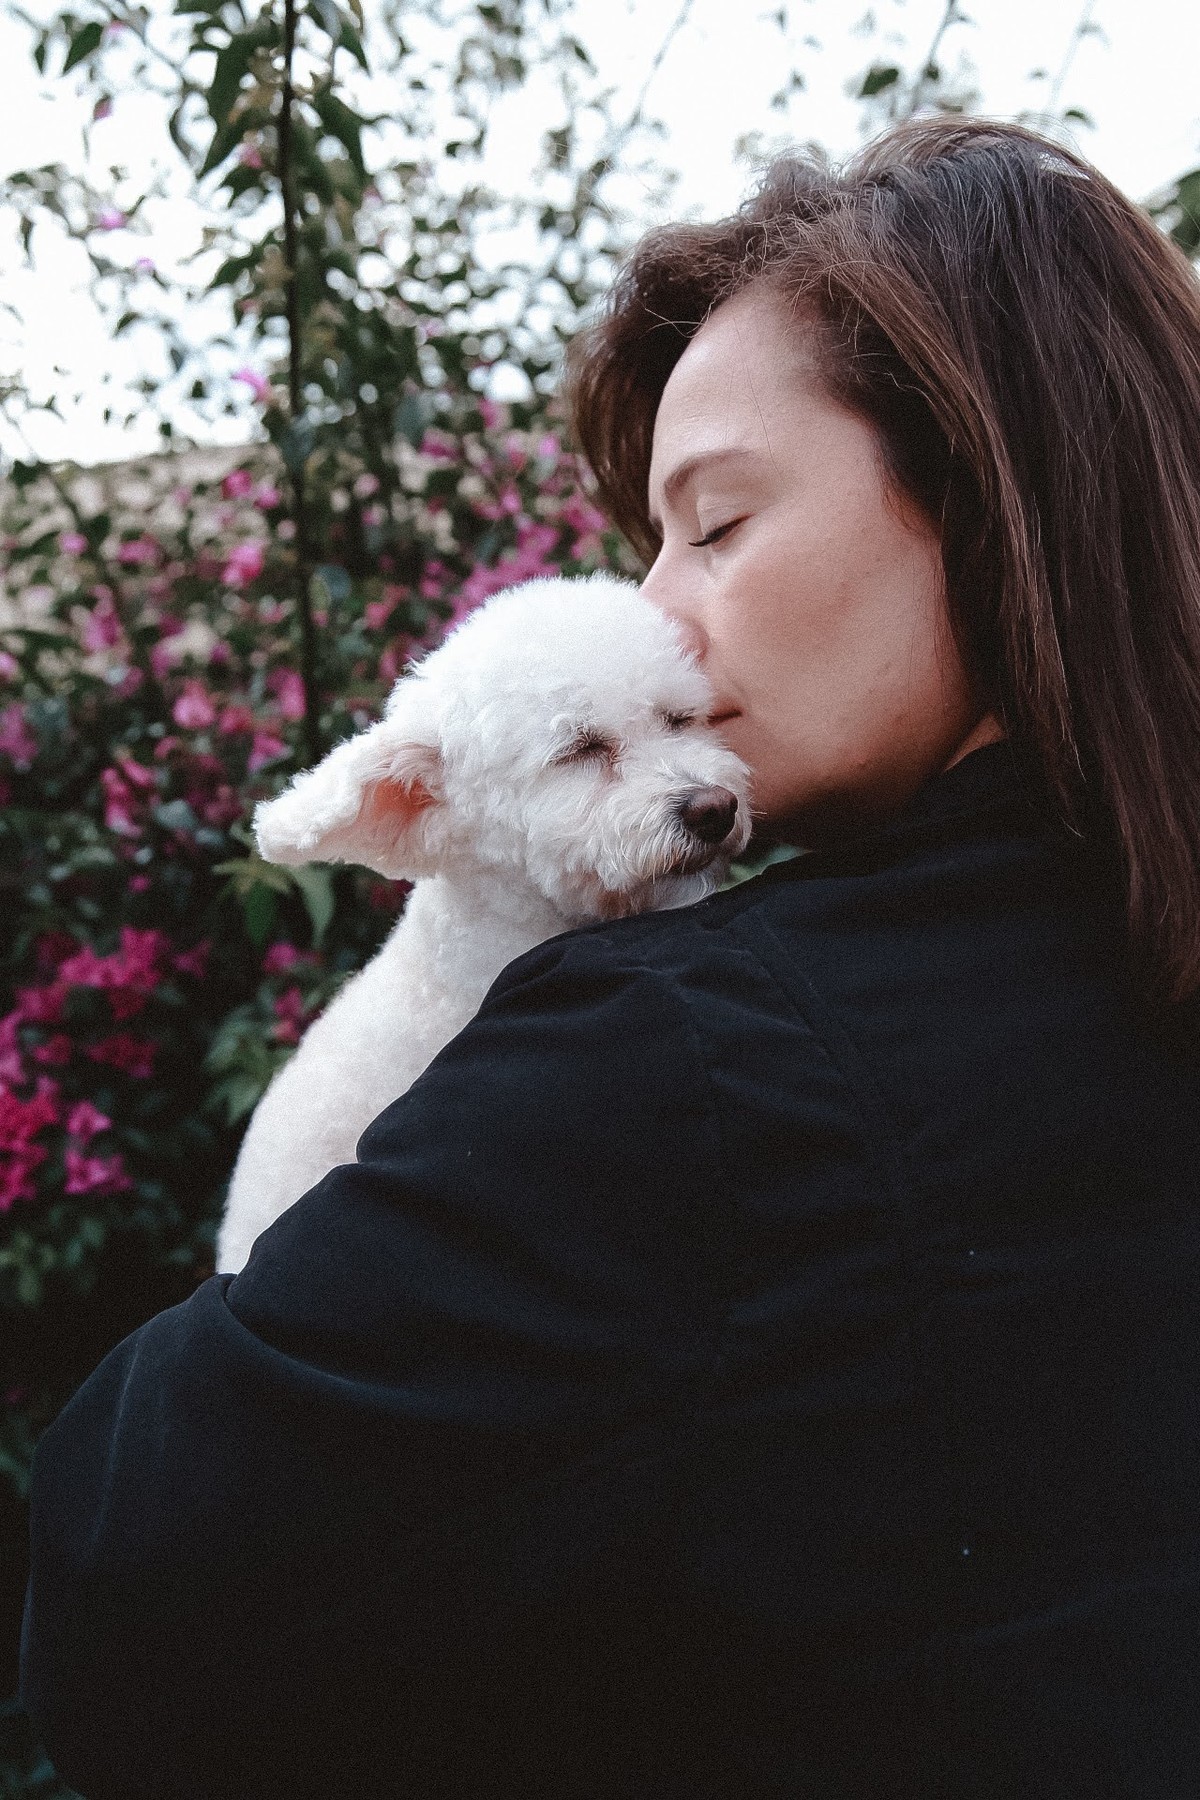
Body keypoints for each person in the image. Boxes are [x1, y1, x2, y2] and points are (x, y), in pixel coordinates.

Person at [20, 115, 1200, 1799]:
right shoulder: (1114, 974)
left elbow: (121, 1607)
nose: (663, 612)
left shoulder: (685, 1061)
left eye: (714, 525)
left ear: (988, 493)